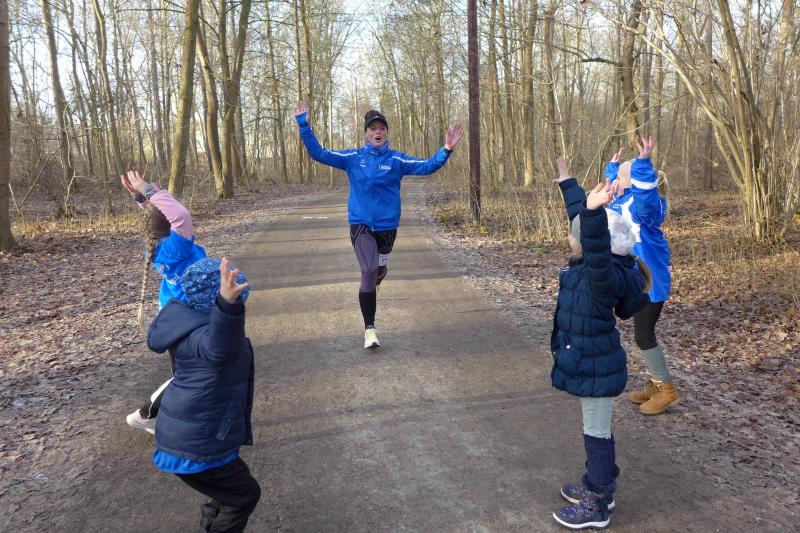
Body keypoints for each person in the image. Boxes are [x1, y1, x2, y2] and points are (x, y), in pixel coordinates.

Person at [294, 101, 464, 349]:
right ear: (366, 133)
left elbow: (427, 166)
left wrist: (446, 149)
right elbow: (318, 153)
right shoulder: (353, 158)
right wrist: (304, 125)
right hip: (361, 224)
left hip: (387, 227)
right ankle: (370, 330)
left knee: (378, 269)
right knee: (368, 271)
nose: (377, 132)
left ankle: (382, 268)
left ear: (386, 133)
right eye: (372, 128)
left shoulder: (396, 160)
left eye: (381, 128)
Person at [550, 157, 651, 530]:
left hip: (596, 366)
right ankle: (597, 485)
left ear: (592, 247)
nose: (569, 238)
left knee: (596, 434)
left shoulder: (599, 275)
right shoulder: (600, 268)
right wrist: (568, 183)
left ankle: (598, 501)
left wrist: (592, 215)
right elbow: (581, 221)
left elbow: (591, 236)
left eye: (573, 236)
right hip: (592, 362)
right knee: (597, 430)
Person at [147, 257, 260, 533]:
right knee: (244, 495)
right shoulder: (207, 338)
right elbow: (222, 344)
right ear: (214, 305)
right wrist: (227, 305)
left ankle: (210, 523)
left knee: (229, 489)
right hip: (197, 445)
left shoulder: (188, 325)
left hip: (198, 435)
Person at [120, 170, 207, 433]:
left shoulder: (158, 244)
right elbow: (181, 216)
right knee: (188, 376)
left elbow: (162, 216)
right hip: (186, 321)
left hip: (176, 317)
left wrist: (142, 197)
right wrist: (148, 191)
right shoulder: (177, 246)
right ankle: (146, 414)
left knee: (191, 373)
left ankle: (186, 415)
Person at [605, 138, 680, 415]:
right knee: (641, 334)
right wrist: (613, 169)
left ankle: (666, 389)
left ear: (634, 182)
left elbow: (645, 196)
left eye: (622, 176)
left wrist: (643, 165)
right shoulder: (623, 200)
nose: (616, 181)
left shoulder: (644, 207)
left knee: (644, 335)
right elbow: (614, 198)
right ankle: (655, 383)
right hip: (635, 281)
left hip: (651, 284)